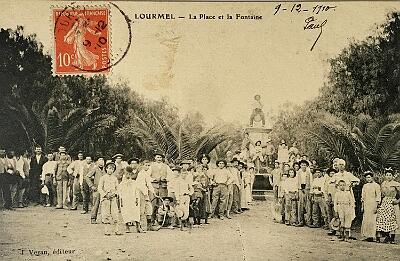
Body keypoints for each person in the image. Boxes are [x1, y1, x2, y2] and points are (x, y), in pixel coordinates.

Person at [376, 168, 400, 244]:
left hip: (392, 202)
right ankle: (387, 236)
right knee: (383, 218)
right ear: (385, 176)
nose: (388, 176)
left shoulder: (396, 184)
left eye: (390, 175)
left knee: (392, 219)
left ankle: (392, 238)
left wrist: (397, 201)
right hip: (385, 202)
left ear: (393, 176)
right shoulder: (383, 184)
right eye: (387, 175)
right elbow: (381, 195)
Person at [118, 166, 144, 233]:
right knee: (126, 212)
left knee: (136, 212)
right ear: (124, 174)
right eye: (126, 174)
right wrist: (121, 199)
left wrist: (137, 199)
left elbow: (136, 191)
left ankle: (138, 227)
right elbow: (119, 192)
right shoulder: (122, 184)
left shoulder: (134, 182)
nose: (128, 175)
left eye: (129, 174)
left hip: (133, 199)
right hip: (125, 199)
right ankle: (127, 227)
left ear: (131, 174)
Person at [98, 162, 122, 236]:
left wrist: (115, 194)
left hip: (113, 197)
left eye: (112, 169)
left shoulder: (114, 178)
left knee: (115, 213)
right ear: (106, 169)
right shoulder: (103, 178)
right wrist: (105, 195)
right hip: (106, 198)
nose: (110, 170)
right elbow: (99, 188)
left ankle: (116, 230)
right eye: (109, 168)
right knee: (106, 214)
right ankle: (107, 230)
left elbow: (118, 188)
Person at [361, 171, 381, 242]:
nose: (368, 179)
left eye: (369, 177)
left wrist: (377, 205)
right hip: (367, 204)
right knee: (367, 219)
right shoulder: (365, 186)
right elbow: (363, 197)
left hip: (373, 203)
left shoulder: (376, 186)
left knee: (373, 220)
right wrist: (362, 206)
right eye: (367, 178)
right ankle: (368, 236)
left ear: (372, 177)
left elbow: (378, 196)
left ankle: (373, 236)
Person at [137, 160, 156, 231]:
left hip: (145, 192)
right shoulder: (141, 174)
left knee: (149, 208)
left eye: (148, 165)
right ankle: (140, 226)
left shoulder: (146, 173)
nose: (147, 167)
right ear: (142, 165)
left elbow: (149, 184)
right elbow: (141, 185)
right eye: (145, 165)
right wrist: (145, 195)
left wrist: (153, 192)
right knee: (141, 210)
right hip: (141, 192)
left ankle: (149, 225)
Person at [85, 157, 105, 224]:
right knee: (96, 204)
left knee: (105, 204)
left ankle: (104, 218)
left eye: (102, 160)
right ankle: (93, 218)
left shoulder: (106, 169)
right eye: (100, 160)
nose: (101, 161)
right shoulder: (95, 169)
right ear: (97, 162)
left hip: (105, 190)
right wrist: (91, 186)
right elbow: (87, 177)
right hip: (97, 189)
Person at [296, 160, 313, 227]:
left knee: (308, 206)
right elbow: (296, 182)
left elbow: (311, 182)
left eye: (305, 165)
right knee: (300, 205)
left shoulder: (309, 173)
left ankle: (308, 221)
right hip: (300, 189)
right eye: (302, 165)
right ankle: (300, 221)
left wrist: (310, 192)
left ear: (306, 166)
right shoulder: (298, 173)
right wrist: (298, 190)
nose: (303, 166)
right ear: (300, 165)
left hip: (307, 189)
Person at [325, 168, 338, 234]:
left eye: (333, 173)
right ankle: (331, 229)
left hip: (335, 199)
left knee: (335, 214)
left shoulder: (337, 182)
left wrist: (335, 200)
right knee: (329, 214)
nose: (332, 174)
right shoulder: (327, 182)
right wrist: (327, 199)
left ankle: (337, 228)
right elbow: (326, 191)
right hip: (329, 198)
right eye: (331, 173)